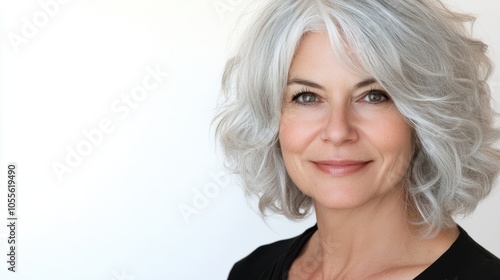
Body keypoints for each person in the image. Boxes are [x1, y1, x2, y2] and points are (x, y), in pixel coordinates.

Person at [214, 0, 500, 279]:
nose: (338, 131)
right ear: (272, 120)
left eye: (374, 96)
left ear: (427, 117)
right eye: (307, 97)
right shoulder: (251, 271)